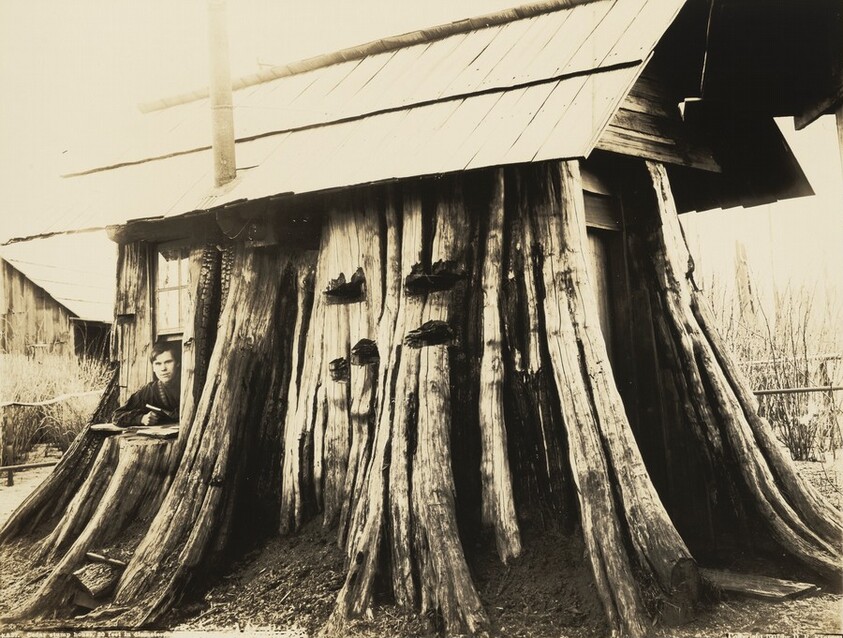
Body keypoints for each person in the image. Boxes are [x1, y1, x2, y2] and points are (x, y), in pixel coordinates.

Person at [112, 341, 181, 427]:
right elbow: (117, 416)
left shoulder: (190, 385)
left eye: (168, 362)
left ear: (178, 363)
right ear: (153, 368)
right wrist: (141, 419)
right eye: (158, 364)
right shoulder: (150, 390)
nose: (163, 368)